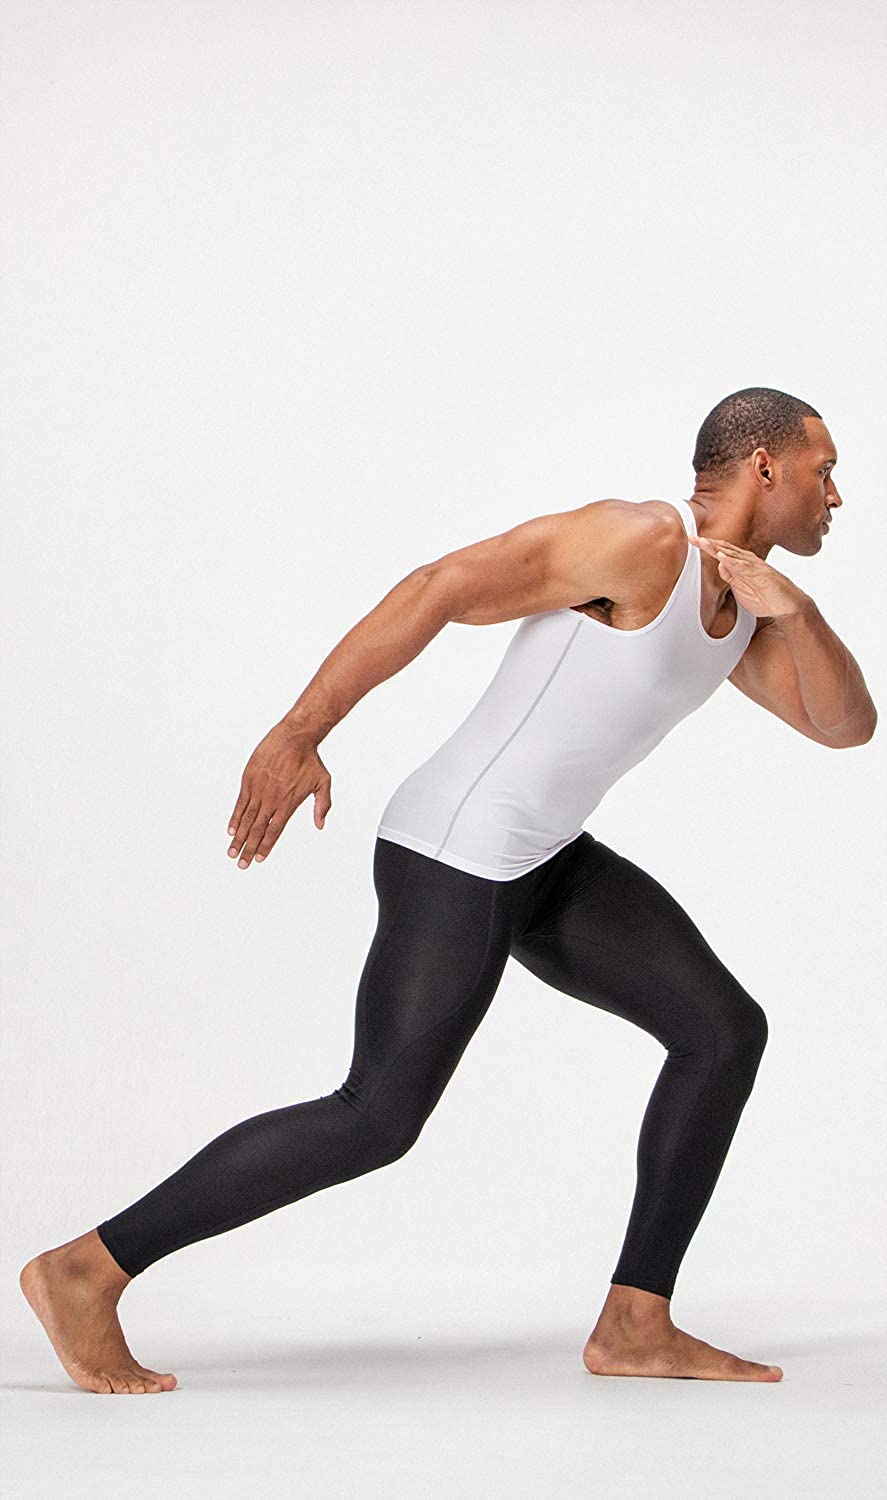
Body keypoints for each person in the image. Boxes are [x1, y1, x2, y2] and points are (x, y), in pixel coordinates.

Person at [21, 387, 876, 1393]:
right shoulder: (640, 541)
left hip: (546, 858)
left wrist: (800, 613)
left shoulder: (744, 605)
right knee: (374, 1117)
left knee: (721, 1033)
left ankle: (634, 1322)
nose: (834, 496)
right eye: (822, 471)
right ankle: (85, 1270)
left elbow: (843, 726)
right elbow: (440, 586)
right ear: (763, 467)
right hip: (455, 852)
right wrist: (299, 732)